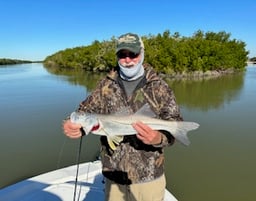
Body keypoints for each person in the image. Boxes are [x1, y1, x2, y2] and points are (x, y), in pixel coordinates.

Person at [63, 32, 183, 201]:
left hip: (148, 177)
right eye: (122, 55)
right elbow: (84, 111)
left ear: (142, 53)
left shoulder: (159, 87)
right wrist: (72, 124)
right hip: (114, 176)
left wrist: (157, 138)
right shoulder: (105, 85)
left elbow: (175, 124)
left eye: (133, 54)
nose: (128, 60)